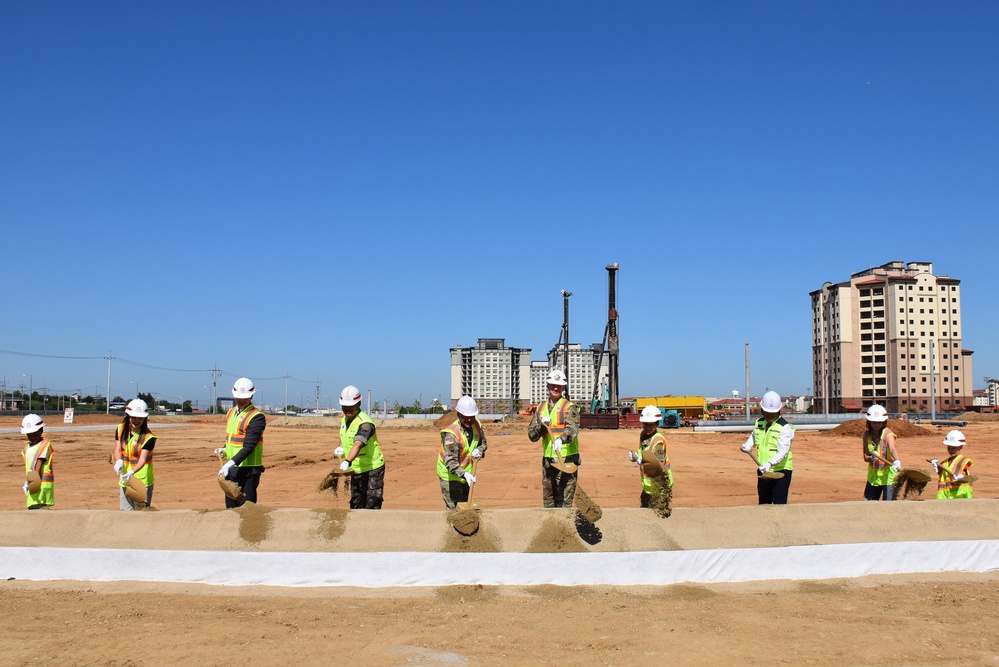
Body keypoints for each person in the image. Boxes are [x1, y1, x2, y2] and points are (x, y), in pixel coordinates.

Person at [527, 369, 581, 508]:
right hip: (548, 461)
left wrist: (561, 439)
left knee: (564, 502)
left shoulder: (570, 407)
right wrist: (542, 427)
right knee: (549, 500)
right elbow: (532, 435)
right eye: (552, 385)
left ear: (563, 387)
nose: (555, 388)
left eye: (559, 386)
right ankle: (551, 527)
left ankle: (564, 527)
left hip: (567, 459)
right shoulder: (540, 408)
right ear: (547, 386)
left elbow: (573, 429)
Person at [217, 377, 266, 508]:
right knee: (231, 508)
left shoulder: (257, 417)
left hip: (248, 470)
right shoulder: (231, 412)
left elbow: (249, 446)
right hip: (232, 469)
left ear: (252, 396)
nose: (242, 400)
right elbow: (232, 438)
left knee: (247, 509)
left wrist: (229, 464)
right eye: (239, 397)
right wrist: (223, 449)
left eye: (245, 397)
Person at [739, 390, 795, 504]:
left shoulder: (785, 428)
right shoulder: (760, 423)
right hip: (763, 471)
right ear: (762, 410)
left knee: (779, 505)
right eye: (767, 413)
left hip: (780, 472)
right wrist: (748, 445)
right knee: (764, 504)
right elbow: (755, 436)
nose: (769, 416)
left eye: (772, 414)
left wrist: (770, 463)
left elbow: (783, 452)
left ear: (779, 411)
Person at [336, 385, 386, 509]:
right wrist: (340, 448)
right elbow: (344, 437)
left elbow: (358, 443)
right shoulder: (345, 420)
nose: (347, 410)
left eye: (350, 407)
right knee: (356, 503)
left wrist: (347, 461)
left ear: (358, 404)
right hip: (356, 468)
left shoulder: (365, 423)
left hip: (372, 468)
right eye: (344, 407)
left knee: (371, 503)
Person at [437, 395, 487, 510]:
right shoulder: (451, 434)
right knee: (455, 511)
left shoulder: (477, 425)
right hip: (450, 476)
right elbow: (450, 462)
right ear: (459, 414)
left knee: (466, 508)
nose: (469, 420)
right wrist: (464, 474)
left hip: (466, 476)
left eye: (472, 416)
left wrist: (479, 450)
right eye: (466, 417)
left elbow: (483, 443)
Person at [113, 398, 157, 509]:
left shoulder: (149, 438)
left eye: (140, 418)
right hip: (125, 479)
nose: (136, 420)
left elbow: (142, 460)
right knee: (125, 515)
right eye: (133, 417)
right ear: (128, 416)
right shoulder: (120, 429)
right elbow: (118, 449)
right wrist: (118, 461)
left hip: (142, 482)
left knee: (141, 516)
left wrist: (132, 471)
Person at [628, 405, 673, 507]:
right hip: (648, 486)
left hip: (660, 485)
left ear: (657, 424)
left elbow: (657, 463)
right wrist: (637, 457)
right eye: (645, 425)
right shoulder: (643, 435)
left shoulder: (658, 440)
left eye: (651, 425)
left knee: (658, 514)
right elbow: (644, 452)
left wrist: (639, 459)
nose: (648, 428)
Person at [861, 404, 901, 501]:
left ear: (884, 422)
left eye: (879, 422)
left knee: (888, 506)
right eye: (873, 422)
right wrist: (871, 458)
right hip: (874, 476)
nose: (876, 424)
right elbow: (865, 458)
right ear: (869, 421)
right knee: (869, 504)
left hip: (888, 476)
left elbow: (892, 448)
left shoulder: (888, 434)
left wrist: (897, 461)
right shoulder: (866, 435)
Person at [21, 414, 54, 509]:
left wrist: (32, 483)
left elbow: (38, 464)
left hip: (41, 486)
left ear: (41, 431)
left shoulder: (44, 445)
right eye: (29, 435)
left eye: (35, 434)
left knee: (40, 510)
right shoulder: (27, 448)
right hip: (33, 483)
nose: (32, 437)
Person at [931, 430, 974, 499]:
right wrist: (936, 466)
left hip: (960, 495)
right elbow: (943, 476)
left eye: (953, 448)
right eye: (949, 448)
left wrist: (962, 477)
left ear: (961, 447)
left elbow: (965, 472)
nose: (951, 451)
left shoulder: (963, 461)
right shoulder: (945, 463)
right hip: (945, 496)